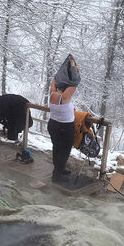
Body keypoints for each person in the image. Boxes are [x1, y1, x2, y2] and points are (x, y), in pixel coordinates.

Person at [48, 55, 80, 184]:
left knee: (57, 148)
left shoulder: (52, 94)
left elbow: (54, 79)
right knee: (64, 151)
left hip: (53, 125)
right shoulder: (65, 97)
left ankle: (59, 170)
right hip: (65, 127)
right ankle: (57, 176)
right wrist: (73, 68)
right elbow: (75, 82)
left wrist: (63, 72)